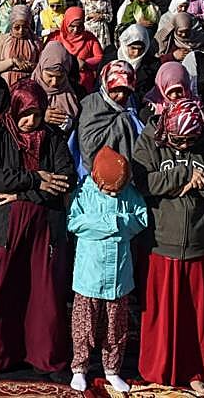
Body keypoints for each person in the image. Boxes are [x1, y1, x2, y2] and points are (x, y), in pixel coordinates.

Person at [0, 79, 74, 382]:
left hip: (44, 225)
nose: (31, 121)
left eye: (37, 114)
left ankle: (46, 357)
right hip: (5, 226)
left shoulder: (52, 137)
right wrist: (35, 179)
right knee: (0, 288)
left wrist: (21, 194)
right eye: (25, 114)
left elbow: (65, 178)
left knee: (44, 290)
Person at [132, 98, 204, 396]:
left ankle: (193, 370)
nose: (186, 145)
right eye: (179, 140)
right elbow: (142, 182)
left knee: (194, 315)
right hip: (161, 241)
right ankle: (158, 369)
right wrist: (184, 176)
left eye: (191, 140)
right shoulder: (149, 141)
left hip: (199, 242)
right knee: (160, 313)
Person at [66, 146, 148, 394]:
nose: (113, 194)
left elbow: (141, 219)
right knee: (84, 325)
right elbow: (74, 223)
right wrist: (109, 224)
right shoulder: (84, 193)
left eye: (117, 191)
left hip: (119, 274)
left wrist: (120, 222)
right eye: (109, 190)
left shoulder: (130, 193)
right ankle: (79, 368)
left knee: (116, 327)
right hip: (89, 273)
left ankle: (112, 370)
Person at [75, 60, 144, 174]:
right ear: (105, 84)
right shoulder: (91, 104)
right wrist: (121, 123)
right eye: (115, 90)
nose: (121, 96)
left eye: (126, 91)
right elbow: (88, 146)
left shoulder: (134, 104)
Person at [54, 6, 104, 91]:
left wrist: (85, 63)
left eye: (79, 26)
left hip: (84, 84)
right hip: (60, 82)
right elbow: (46, 57)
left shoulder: (89, 38)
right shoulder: (56, 38)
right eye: (72, 26)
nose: (75, 30)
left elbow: (100, 57)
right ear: (66, 23)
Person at [0, 4, 40, 88]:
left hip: (29, 85)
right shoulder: (3, 40)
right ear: (11, 25)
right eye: (17, 27)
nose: (21, 31)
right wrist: (13, 61)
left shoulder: (35, 41)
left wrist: (31, 66)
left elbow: (42, 66)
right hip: (6, 85)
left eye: (25, 27)